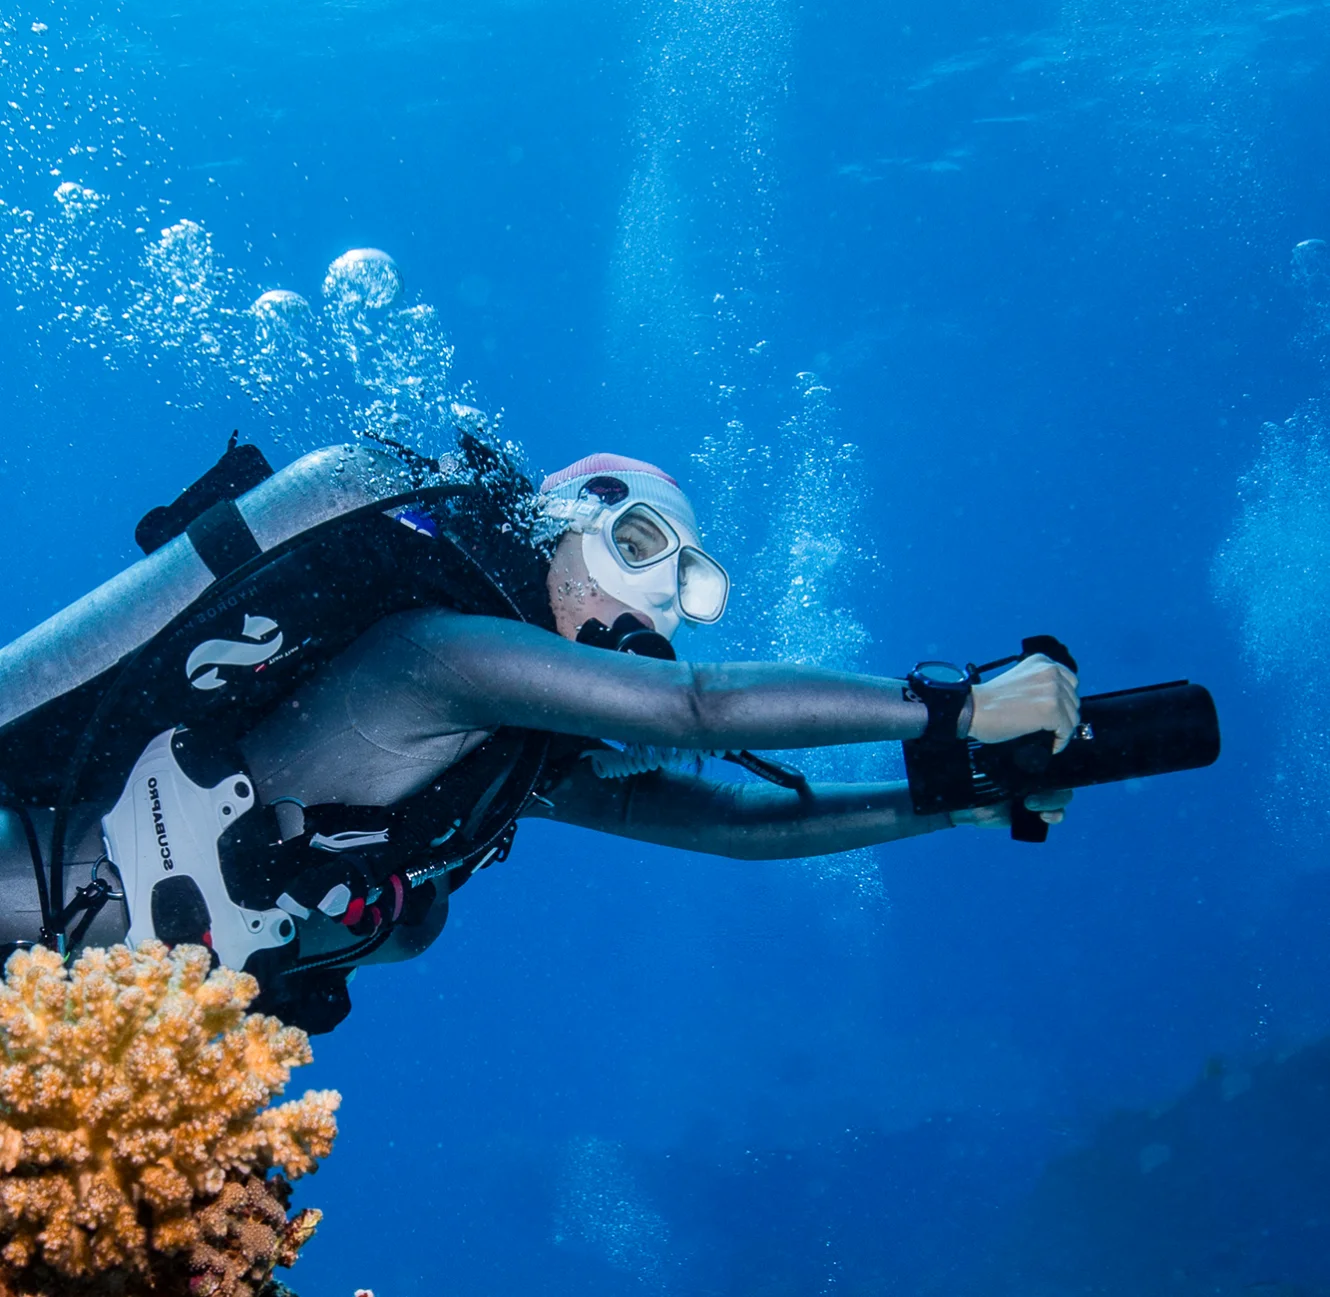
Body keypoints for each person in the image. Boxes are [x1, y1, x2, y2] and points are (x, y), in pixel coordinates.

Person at [0, 436, 1076, 1032]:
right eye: (641, 546)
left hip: (107, 975)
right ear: (557, 521)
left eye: (690, 587)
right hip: (49, 882)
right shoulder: (445, 657)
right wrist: (962, 702)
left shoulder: (509, 750)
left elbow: (739, 824)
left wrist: (951, 801)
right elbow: (692, 708)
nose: (657, 605)